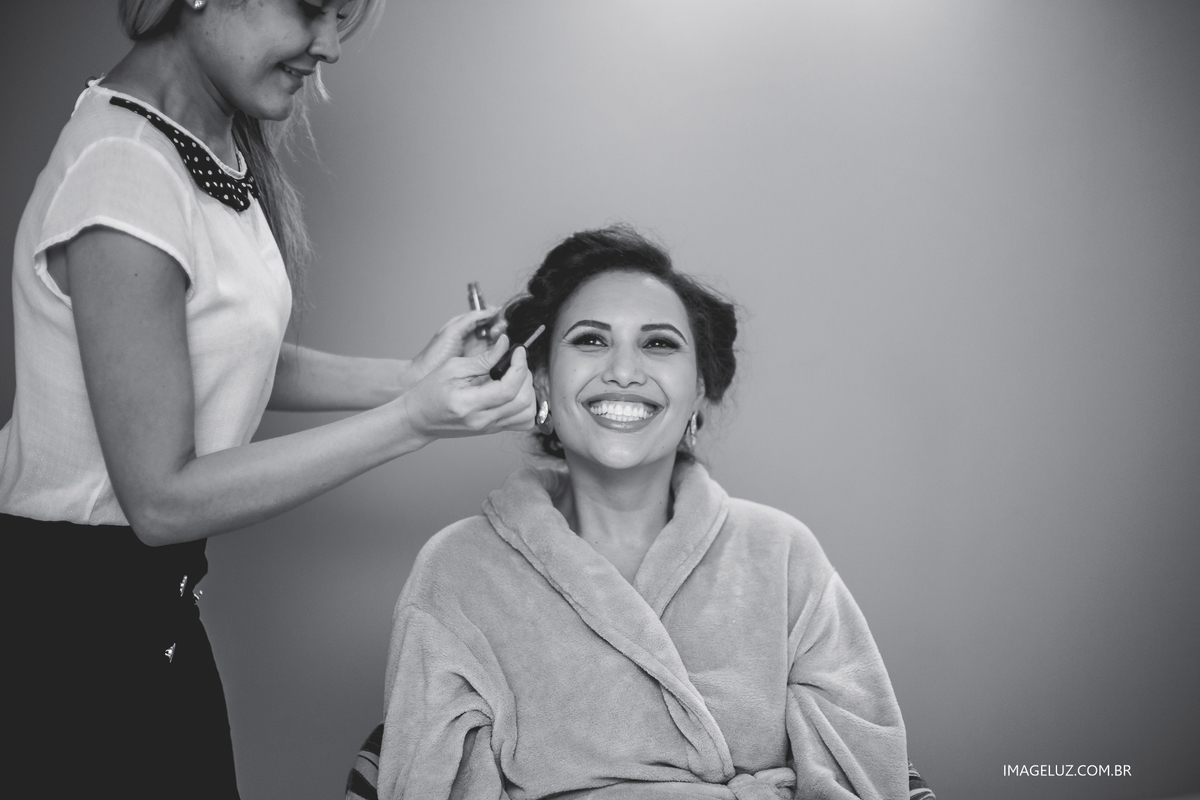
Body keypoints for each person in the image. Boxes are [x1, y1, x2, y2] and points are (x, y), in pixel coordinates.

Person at [0, 1, 534, 798]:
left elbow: (216, 353)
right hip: (72, 629)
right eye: (311, 9)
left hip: (151, 611)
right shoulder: (124, 172)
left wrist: (411, 377)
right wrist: (411, 421)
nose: (329, 45)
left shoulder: (199, 141)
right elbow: (163, 502)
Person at [376, 226, 909, 800]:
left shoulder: (782, 553)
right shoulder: (458, 568)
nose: (625, 371)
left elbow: (861, 774)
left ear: (699, 388)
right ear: (541, 381)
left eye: (658, 343)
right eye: (590, 341)